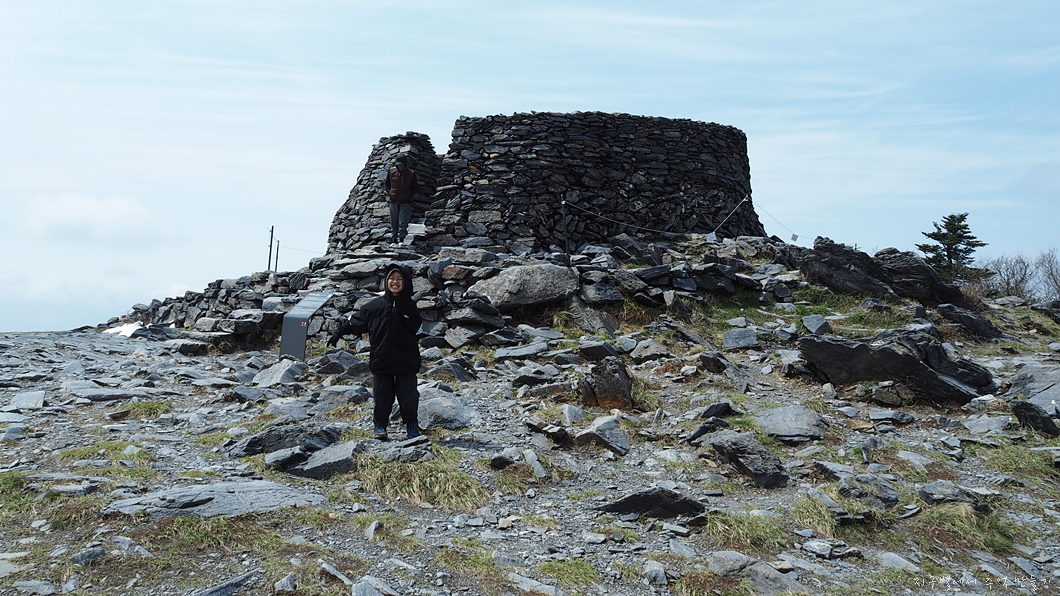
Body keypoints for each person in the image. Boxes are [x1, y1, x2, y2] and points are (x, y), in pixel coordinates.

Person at [327, 264, 423, 440]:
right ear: (386, 281)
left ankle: (411, 425)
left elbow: (419, 330)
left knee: (409, 396)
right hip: (381, 360)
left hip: (407, 361)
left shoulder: (411, 307)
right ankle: (380, 426)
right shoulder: (374, 306)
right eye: (391, 278)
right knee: (382, 396)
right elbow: (356, 322)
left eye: (399, 279)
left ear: (406, 282)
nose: (395, 282)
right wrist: (339, 333)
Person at [384, 154, 418, 246]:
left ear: (405, 164)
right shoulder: (391, 172)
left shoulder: (411, 173)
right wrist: (390, 193)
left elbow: (415, 187)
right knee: (393, 221)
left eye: (402, 164)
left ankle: (401, 240)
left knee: (403, 222)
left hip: (405, 202)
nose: (400, 166)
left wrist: (408, 195)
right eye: (399, 165)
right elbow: (387, 184)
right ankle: (394, 240)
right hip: (393, 201)